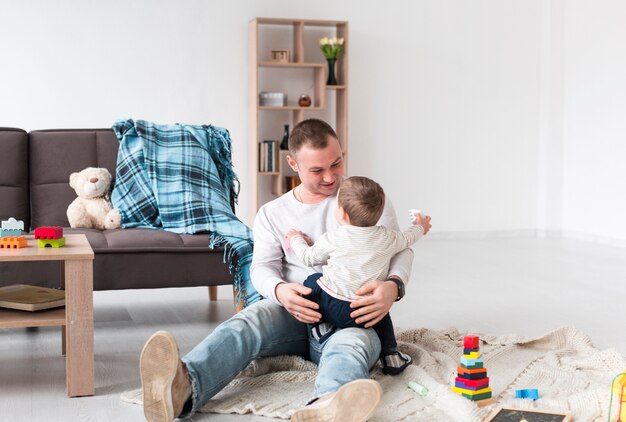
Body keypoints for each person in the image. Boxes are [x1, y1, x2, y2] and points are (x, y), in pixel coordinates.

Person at [138, 118, 427, 422]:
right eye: (317, 170)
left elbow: (400, 249)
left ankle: (327, 405)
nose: (330, 177)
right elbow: (262, 267)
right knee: (248, 322)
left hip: (353, 318)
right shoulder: (273, 213)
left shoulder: (366, 199)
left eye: (337, 163)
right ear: (293, 164)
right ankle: (181, 388)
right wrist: (280, 291)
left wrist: (393, 286)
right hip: (292, 316)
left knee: (351, 347)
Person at [285, 175, 431, 376]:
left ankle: (321, 326)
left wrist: (296, 239)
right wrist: (421, 225)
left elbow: (309, 258)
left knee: (311, 282)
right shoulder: (388, 237)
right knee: (383, 316)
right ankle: (392, 356)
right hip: (366, 311)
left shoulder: (334, 237)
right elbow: (409, 238)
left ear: (342, 213)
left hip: (332, 304)